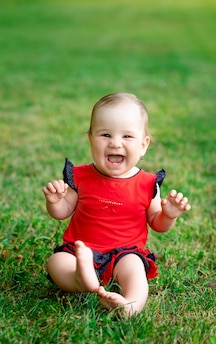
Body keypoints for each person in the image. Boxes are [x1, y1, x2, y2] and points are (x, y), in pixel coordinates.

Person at [42, 92, 191, 317]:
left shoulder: (147, 183)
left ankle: (131, 304)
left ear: (143, 145)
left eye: (127, 136)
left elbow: (157, 223)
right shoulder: (80, 176)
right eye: (105, 134)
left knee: (135, 270)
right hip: (79, 249)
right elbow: (63, 212)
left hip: (124, 252)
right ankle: (80, 279)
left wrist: (168, 215)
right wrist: (54, 202)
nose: (115, 142)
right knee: (56, 262)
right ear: (91, 139)